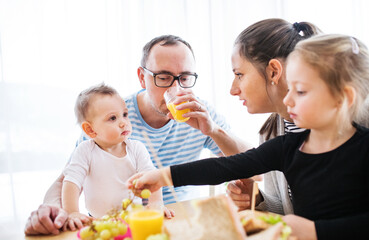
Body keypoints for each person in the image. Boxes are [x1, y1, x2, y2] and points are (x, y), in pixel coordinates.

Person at [128, 34, 369, 240]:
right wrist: (163, 176)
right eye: (290, 88)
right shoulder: (286, 146)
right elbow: (225, 167)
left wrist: (315, 231)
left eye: (301, 91)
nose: (287, 100)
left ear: (344, 98)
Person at [24, 35, 250, 235]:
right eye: (163, 77)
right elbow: (68, 178)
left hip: (176, 219)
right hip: (125, 223)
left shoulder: (201, 114)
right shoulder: (112, 116)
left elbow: (256, 166)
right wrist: (53, 212)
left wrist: (213, 130)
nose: (177, 89)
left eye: (185, 77)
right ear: (142, 78)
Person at [226, 18, 322, 214]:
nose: (233, 89)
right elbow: (285, 211)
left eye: (239, 74)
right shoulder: (270, 133)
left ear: (274, 72)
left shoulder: (357, 121)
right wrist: (257, 198)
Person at [61, 83, 171, 231]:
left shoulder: (137, 148)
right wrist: (72, 212)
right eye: (112, 118)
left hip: (133, 219)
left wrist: (156, 203)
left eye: (125, 115)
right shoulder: (85, 151)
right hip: (99, 223)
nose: (123, 123)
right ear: (90, 129)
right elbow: (71, 182)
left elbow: (152, 178)